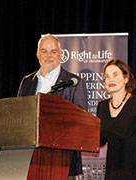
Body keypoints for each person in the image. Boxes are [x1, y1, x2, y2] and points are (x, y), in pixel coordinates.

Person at [17, 33, 88, 180]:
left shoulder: (74, 83)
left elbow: (81, 124)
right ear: (37, 54)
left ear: (61, 54)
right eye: (44, 51)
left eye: (53, 51)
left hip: (63, 162)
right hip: (28, 160)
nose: (49, 55)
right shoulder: (27, 82)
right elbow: (19, 117)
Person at [97, 59, 136, 180]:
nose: (110, 79)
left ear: (126, 79)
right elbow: (100, 140)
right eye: (107, 77)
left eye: (115, 75)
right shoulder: (102, 107)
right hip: (113, 168)